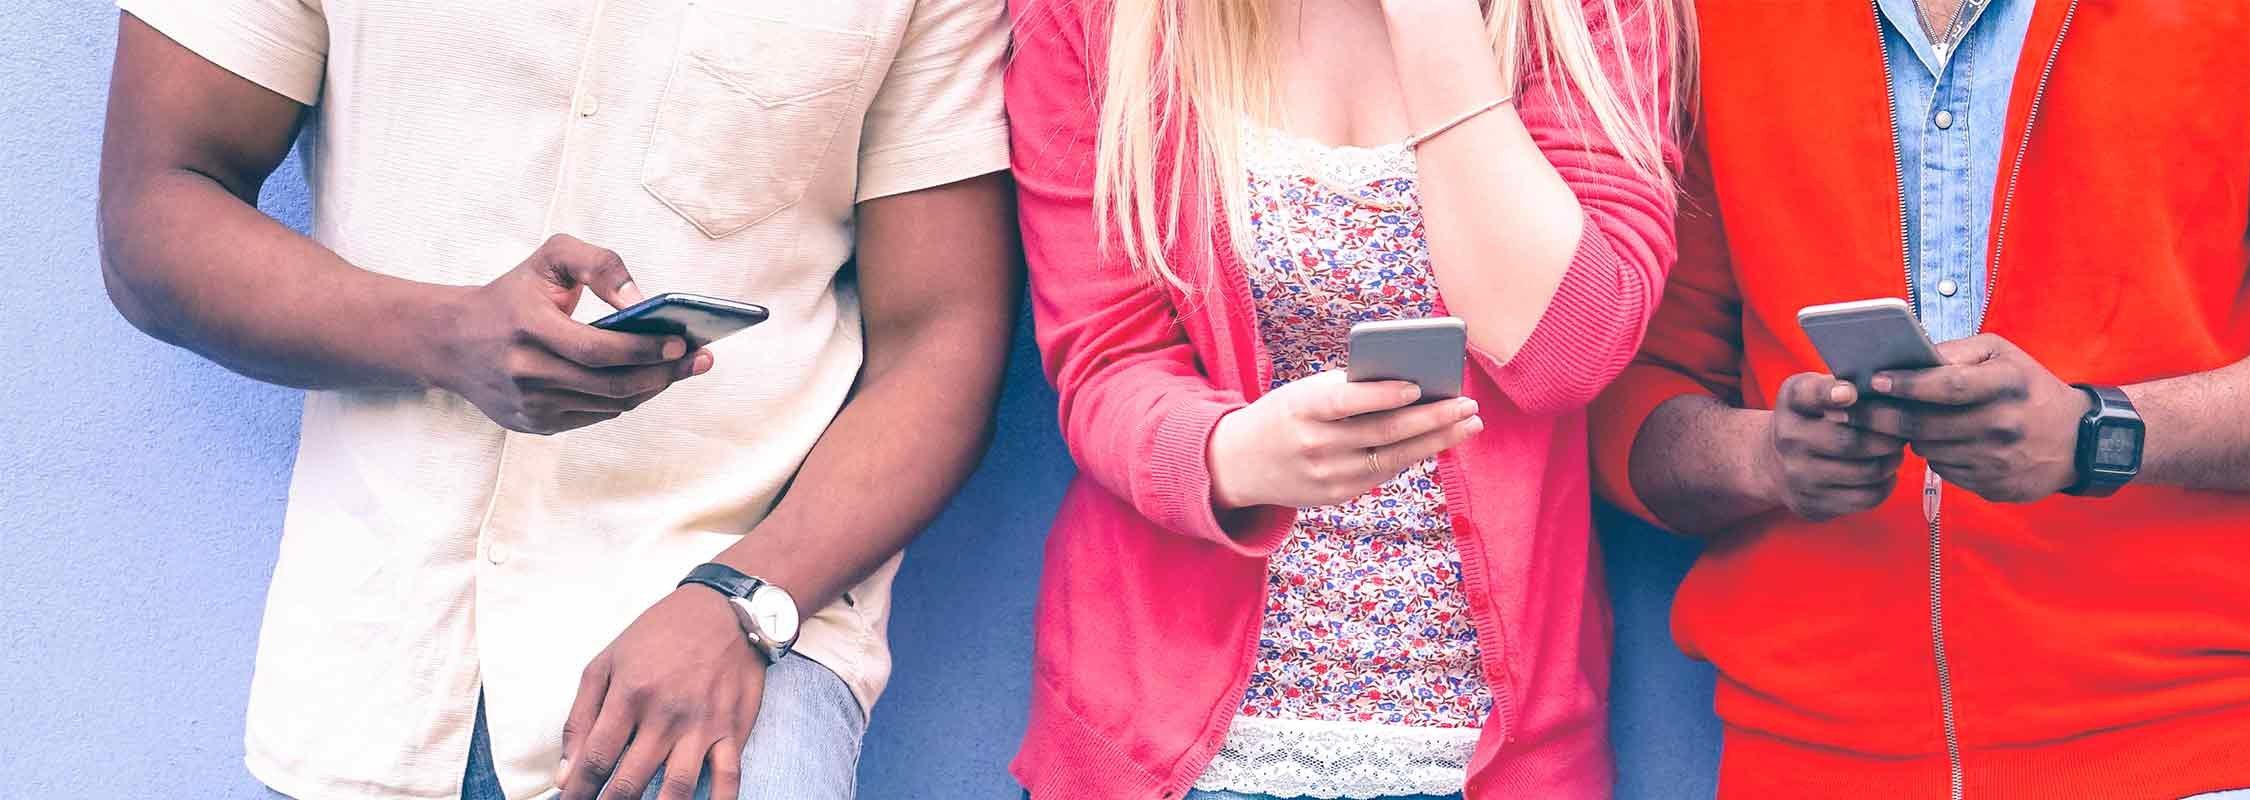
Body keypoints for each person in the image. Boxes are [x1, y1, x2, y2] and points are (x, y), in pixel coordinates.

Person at [94, 0, 1017, 797]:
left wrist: (744, 598)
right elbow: (157, 207)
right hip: (385, 669)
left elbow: (941, 334)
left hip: (732, 665)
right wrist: (445, 339)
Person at [1588, 0, 2250, 796]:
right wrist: (1764, 457)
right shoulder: (1701, 14)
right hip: (1802, 756)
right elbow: (1628, 393)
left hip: (2191, 746)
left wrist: (2098, 434)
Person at [998, 0, 1679, 796]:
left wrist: (1433, 21)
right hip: (1165, 748)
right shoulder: (1099, 16)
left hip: (1486, 757)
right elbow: (1105, 356)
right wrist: (1229, 457)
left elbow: (1564, 351)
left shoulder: (1589, 16)